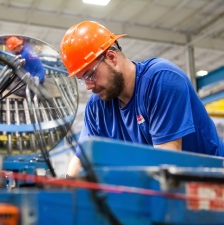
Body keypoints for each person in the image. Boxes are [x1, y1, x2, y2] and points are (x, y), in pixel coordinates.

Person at [59, 21, 224, 178]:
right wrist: (67, 190)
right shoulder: (97, 108)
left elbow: (167, 160)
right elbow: (81, 159)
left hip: (211, 182)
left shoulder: (161, 80)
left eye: (90, 74)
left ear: (111, 58)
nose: (88, 86)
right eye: (82, 79)